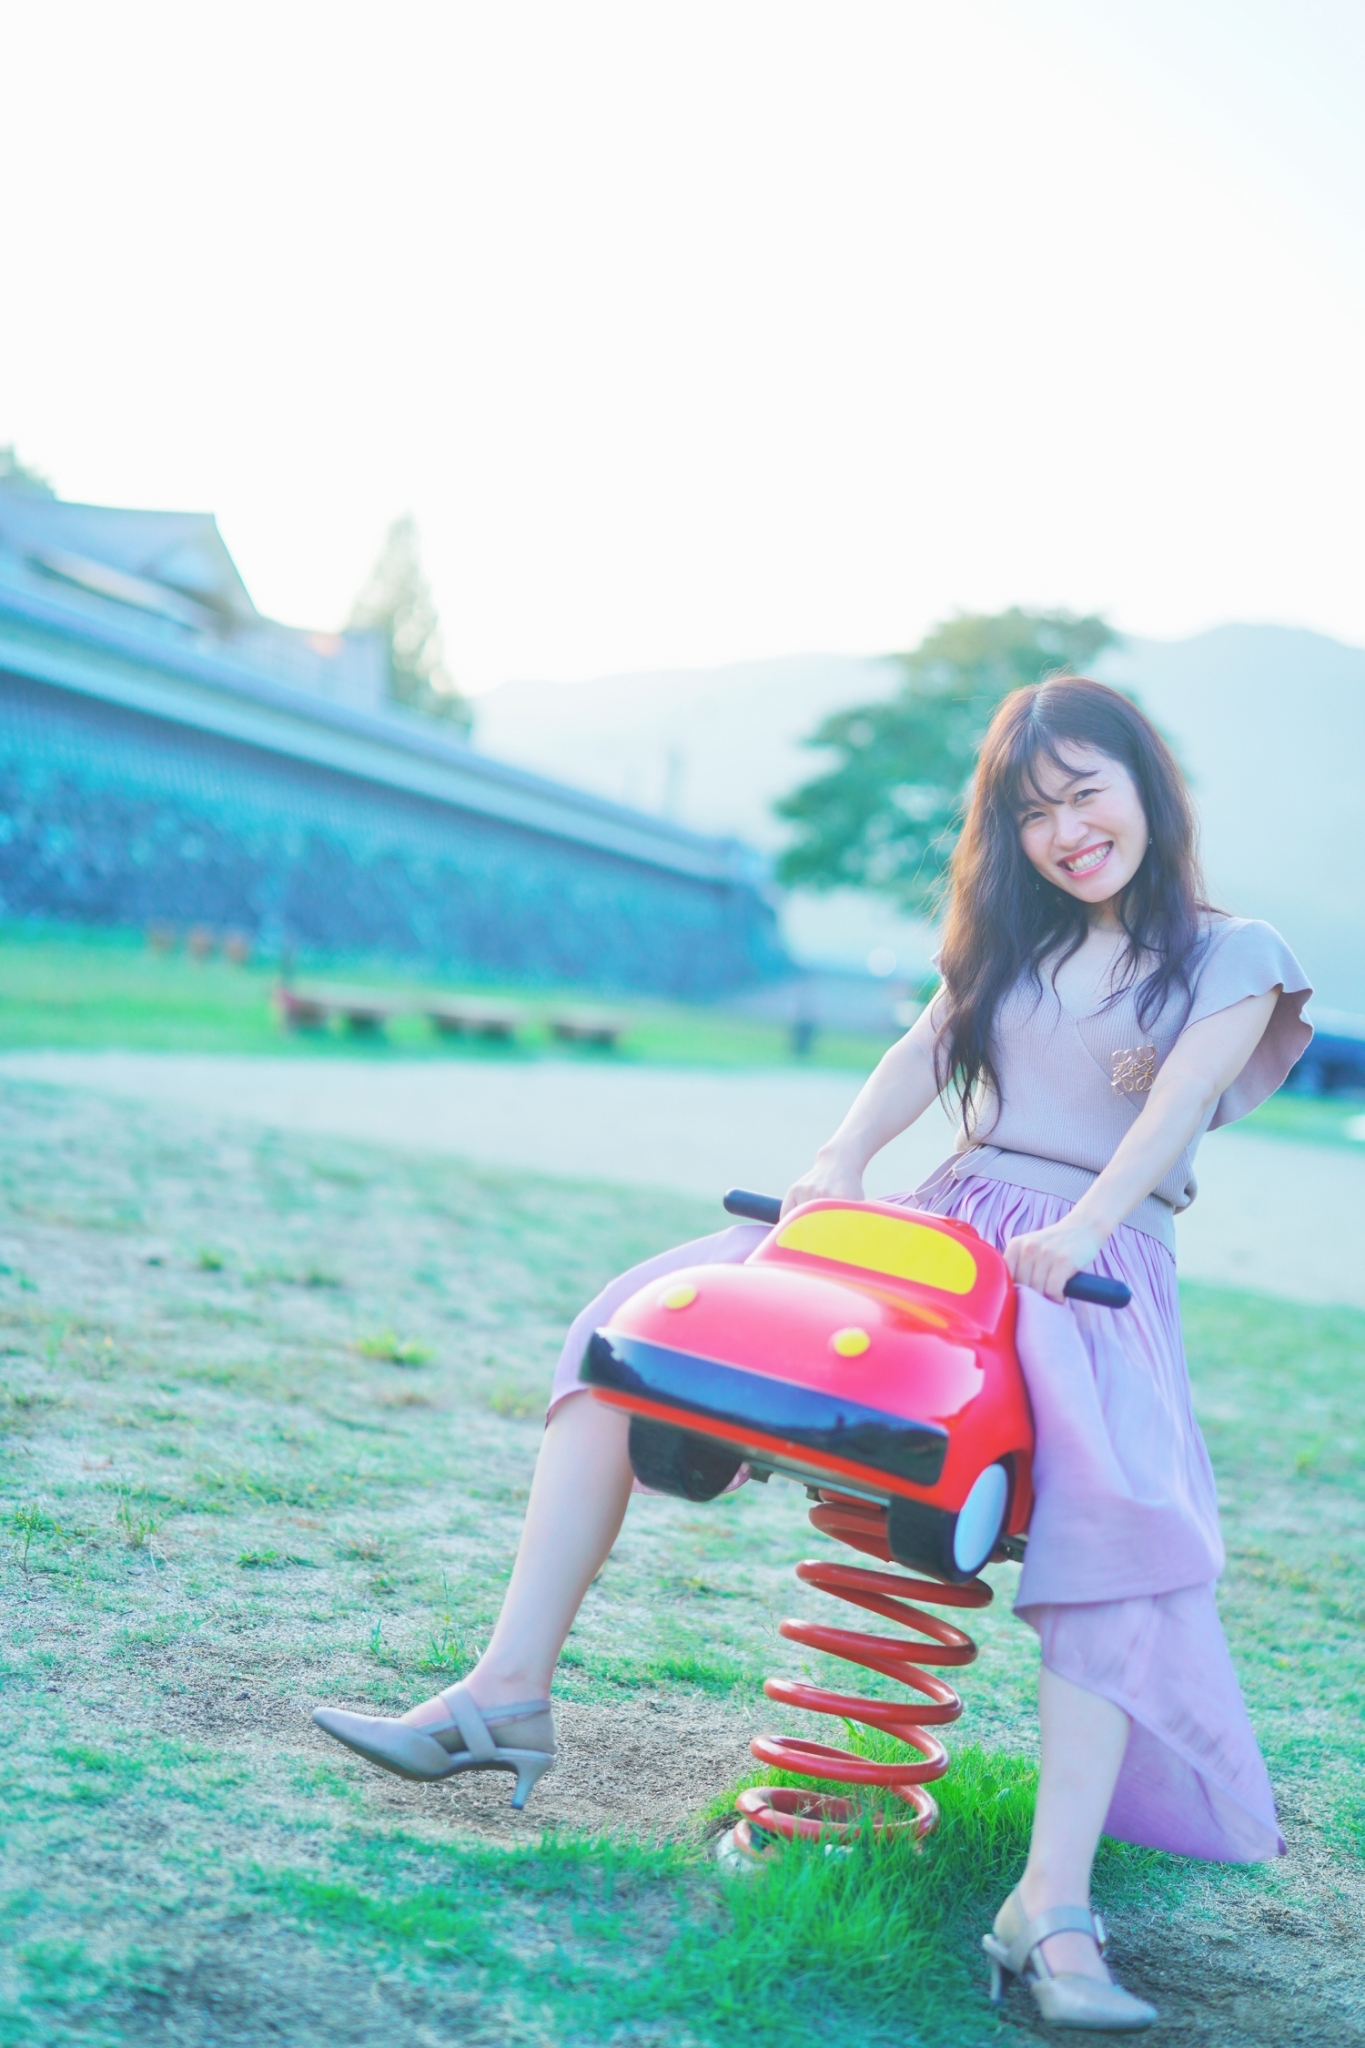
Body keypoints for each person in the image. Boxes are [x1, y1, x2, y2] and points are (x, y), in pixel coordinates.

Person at [315, 676, 1310, 2034]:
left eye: (1086, 795)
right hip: (946, 1238)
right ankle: (504, 1693)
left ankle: (1050, 1905)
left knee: (1117, 1525)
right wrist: (838, 1161)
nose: (1066, 832)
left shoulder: (1230, 952)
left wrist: (1081, 1223)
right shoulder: (1013, 939)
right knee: (628, 1334)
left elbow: (1176, 1106)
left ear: (1146, 786)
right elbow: (924, 1048)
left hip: (1087, 1268)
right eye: (1032, 814)